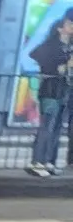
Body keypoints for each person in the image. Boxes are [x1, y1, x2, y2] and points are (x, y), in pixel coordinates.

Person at [28, 14, 73, 178]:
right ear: (60, 28)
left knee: (57, 127)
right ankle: (37, 161)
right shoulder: (51, 45)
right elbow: (37, 56)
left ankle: (49, 161)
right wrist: (62, 66)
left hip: (63, 91)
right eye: (69, 24)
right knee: (47, 125)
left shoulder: (69, 47)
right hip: (50, 90)